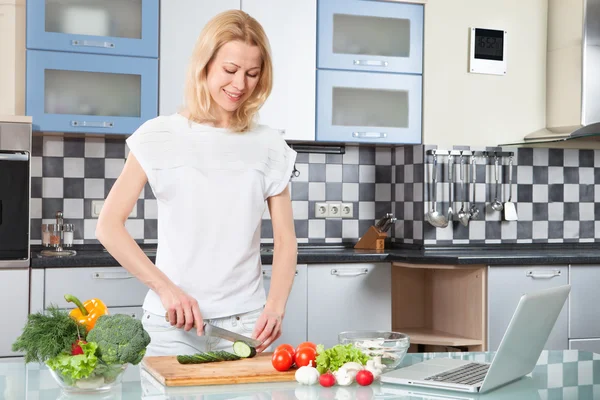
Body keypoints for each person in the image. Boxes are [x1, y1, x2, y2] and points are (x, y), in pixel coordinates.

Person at [96, 10, 298, 356]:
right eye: (230, 71)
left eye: (252, 74)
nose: (240, 85)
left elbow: (285, 239)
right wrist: (166, 289)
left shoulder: (269, 145)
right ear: (204, 65)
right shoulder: (159, 135)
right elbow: (108, 227)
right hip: (170, 324)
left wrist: (275, 306)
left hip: (245, 326)